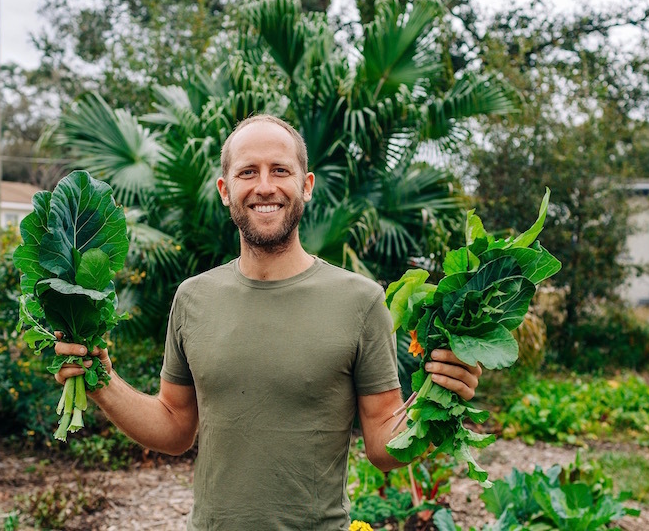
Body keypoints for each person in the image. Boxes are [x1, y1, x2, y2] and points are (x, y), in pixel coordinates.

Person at [53, 114, 482, 529]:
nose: (264, 186)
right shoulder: (193, 297)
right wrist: (99, 380)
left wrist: (439, 401)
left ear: (306, 185)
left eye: (280, 170)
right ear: (225, 189)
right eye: (247, 173)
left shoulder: (360, 300)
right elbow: (174, 427)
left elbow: (383, 444)